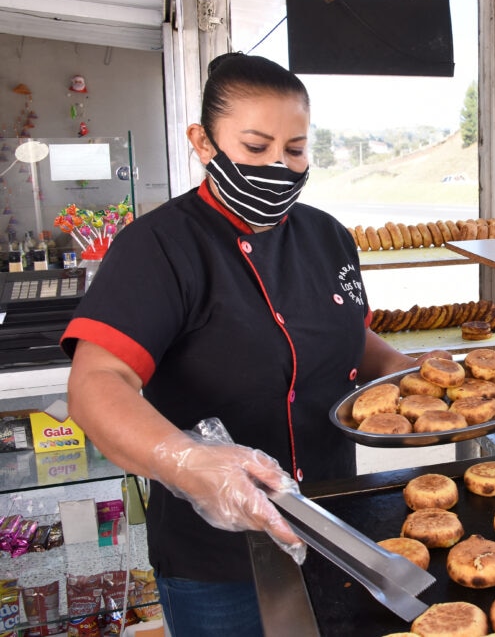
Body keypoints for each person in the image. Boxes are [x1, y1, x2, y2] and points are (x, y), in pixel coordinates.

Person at [61, 52, 448, 636]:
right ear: (203, 142)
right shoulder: (159, 247)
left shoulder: (328, 236)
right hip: (216, 556)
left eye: (294, 151)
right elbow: (96, 383)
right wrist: (188, 464)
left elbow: (340, 327)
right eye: (256, 148)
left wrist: (398, 368)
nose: (279, 167)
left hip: (336, 523)